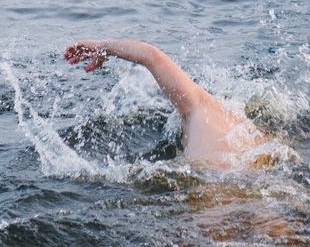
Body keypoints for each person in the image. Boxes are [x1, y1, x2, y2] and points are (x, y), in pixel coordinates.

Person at [63, 38, 270, 169]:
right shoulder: (256, 140)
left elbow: (151, 56)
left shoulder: (200, 109)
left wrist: (103, 47)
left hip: (210, 190)